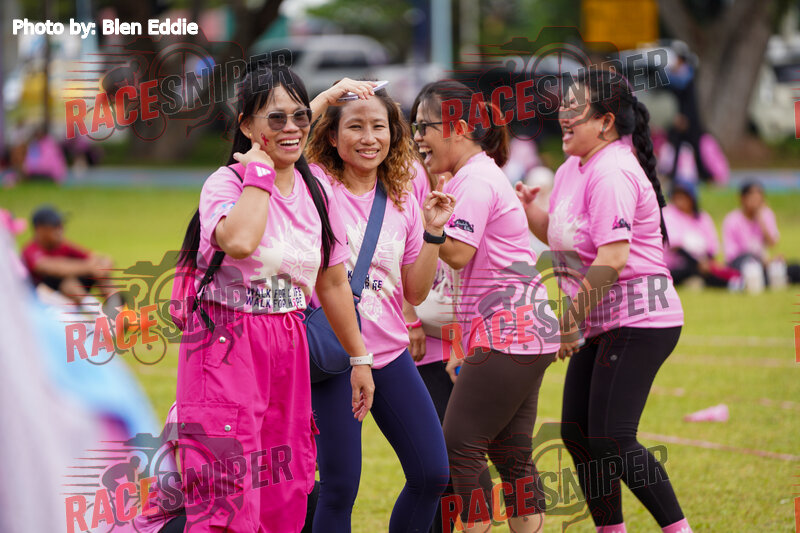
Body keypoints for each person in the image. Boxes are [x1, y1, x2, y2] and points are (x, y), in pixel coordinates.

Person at [175, 65, 373, 533]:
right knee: (227, 484)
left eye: (300, 117)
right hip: (227, 342)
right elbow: (241, 241)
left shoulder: (315, 189)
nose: (291, 128)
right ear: (246, 125)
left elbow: (332, 283)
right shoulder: (226, 184)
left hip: (288, 341)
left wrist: (359, 358)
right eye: (276, 118)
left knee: (284, 481)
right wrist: (260, 172)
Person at [517, 69, 692, 533]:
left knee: (613, 439)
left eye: (575, 108)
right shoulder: (570, 169)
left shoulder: (612, 170)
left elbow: (612, 258)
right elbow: (567, 238)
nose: (563, 114)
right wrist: (530, 210)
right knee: (579, 436)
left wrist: (570, 321)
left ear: (606, 121)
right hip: (601, 319)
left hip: (640, 319)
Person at [412, 80, 561, 533]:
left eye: (424, 127)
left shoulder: (475, 179)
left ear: (457, 128)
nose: (417, 137)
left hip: (510, 331)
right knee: (511, 454)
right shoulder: (474, 175)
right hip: (523, 329)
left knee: (459, 446)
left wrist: (425, 227)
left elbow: (458, 253)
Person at [305, 80, 452, 533]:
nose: (369, 138)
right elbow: (276, 141)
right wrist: (328, 97)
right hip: (334, 357)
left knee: (432, 473)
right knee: (339, 488)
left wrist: (433, 232)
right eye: (355, 126)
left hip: (388, 355)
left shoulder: (403, 196)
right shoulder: (316, 185)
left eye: (379, 126)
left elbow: (415, 292)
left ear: (393, 133)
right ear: (332, 136)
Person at [21, 205, 123, 312]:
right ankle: (97, 312)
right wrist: (90, 267)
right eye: (55, 226)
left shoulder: (63, 246)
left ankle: (119, 311)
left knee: (101, 275)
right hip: (41, 300)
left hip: (64, 297)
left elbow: (99, 259)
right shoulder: (31, 250)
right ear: (40, 229)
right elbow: (52, 268)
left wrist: (102, 265)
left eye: (61, 225)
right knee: (66, 280)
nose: (60, 230)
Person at [662, 180, 739, 288]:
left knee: (713, 269)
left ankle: (732, 282)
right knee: (693, 270)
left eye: (683, 197)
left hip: (702, 263)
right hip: (676, 264)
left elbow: (712, 247)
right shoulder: (669, 214)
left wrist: (706, 262)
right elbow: (675, 246)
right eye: (677, 196)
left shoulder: (702, 217)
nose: (680, 201)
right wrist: (698, 264)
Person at [721, 180, 792, 289]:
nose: (756, 202)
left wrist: (761, 219)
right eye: (752, 198)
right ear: (742, 198)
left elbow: (772, 242)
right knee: (752, 267)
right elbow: (731, 255)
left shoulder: (766, 215)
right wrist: (759, 260)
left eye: (759, 198)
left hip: (762, 261)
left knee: (789, 268)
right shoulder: (732, 220)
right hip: (740, 263)